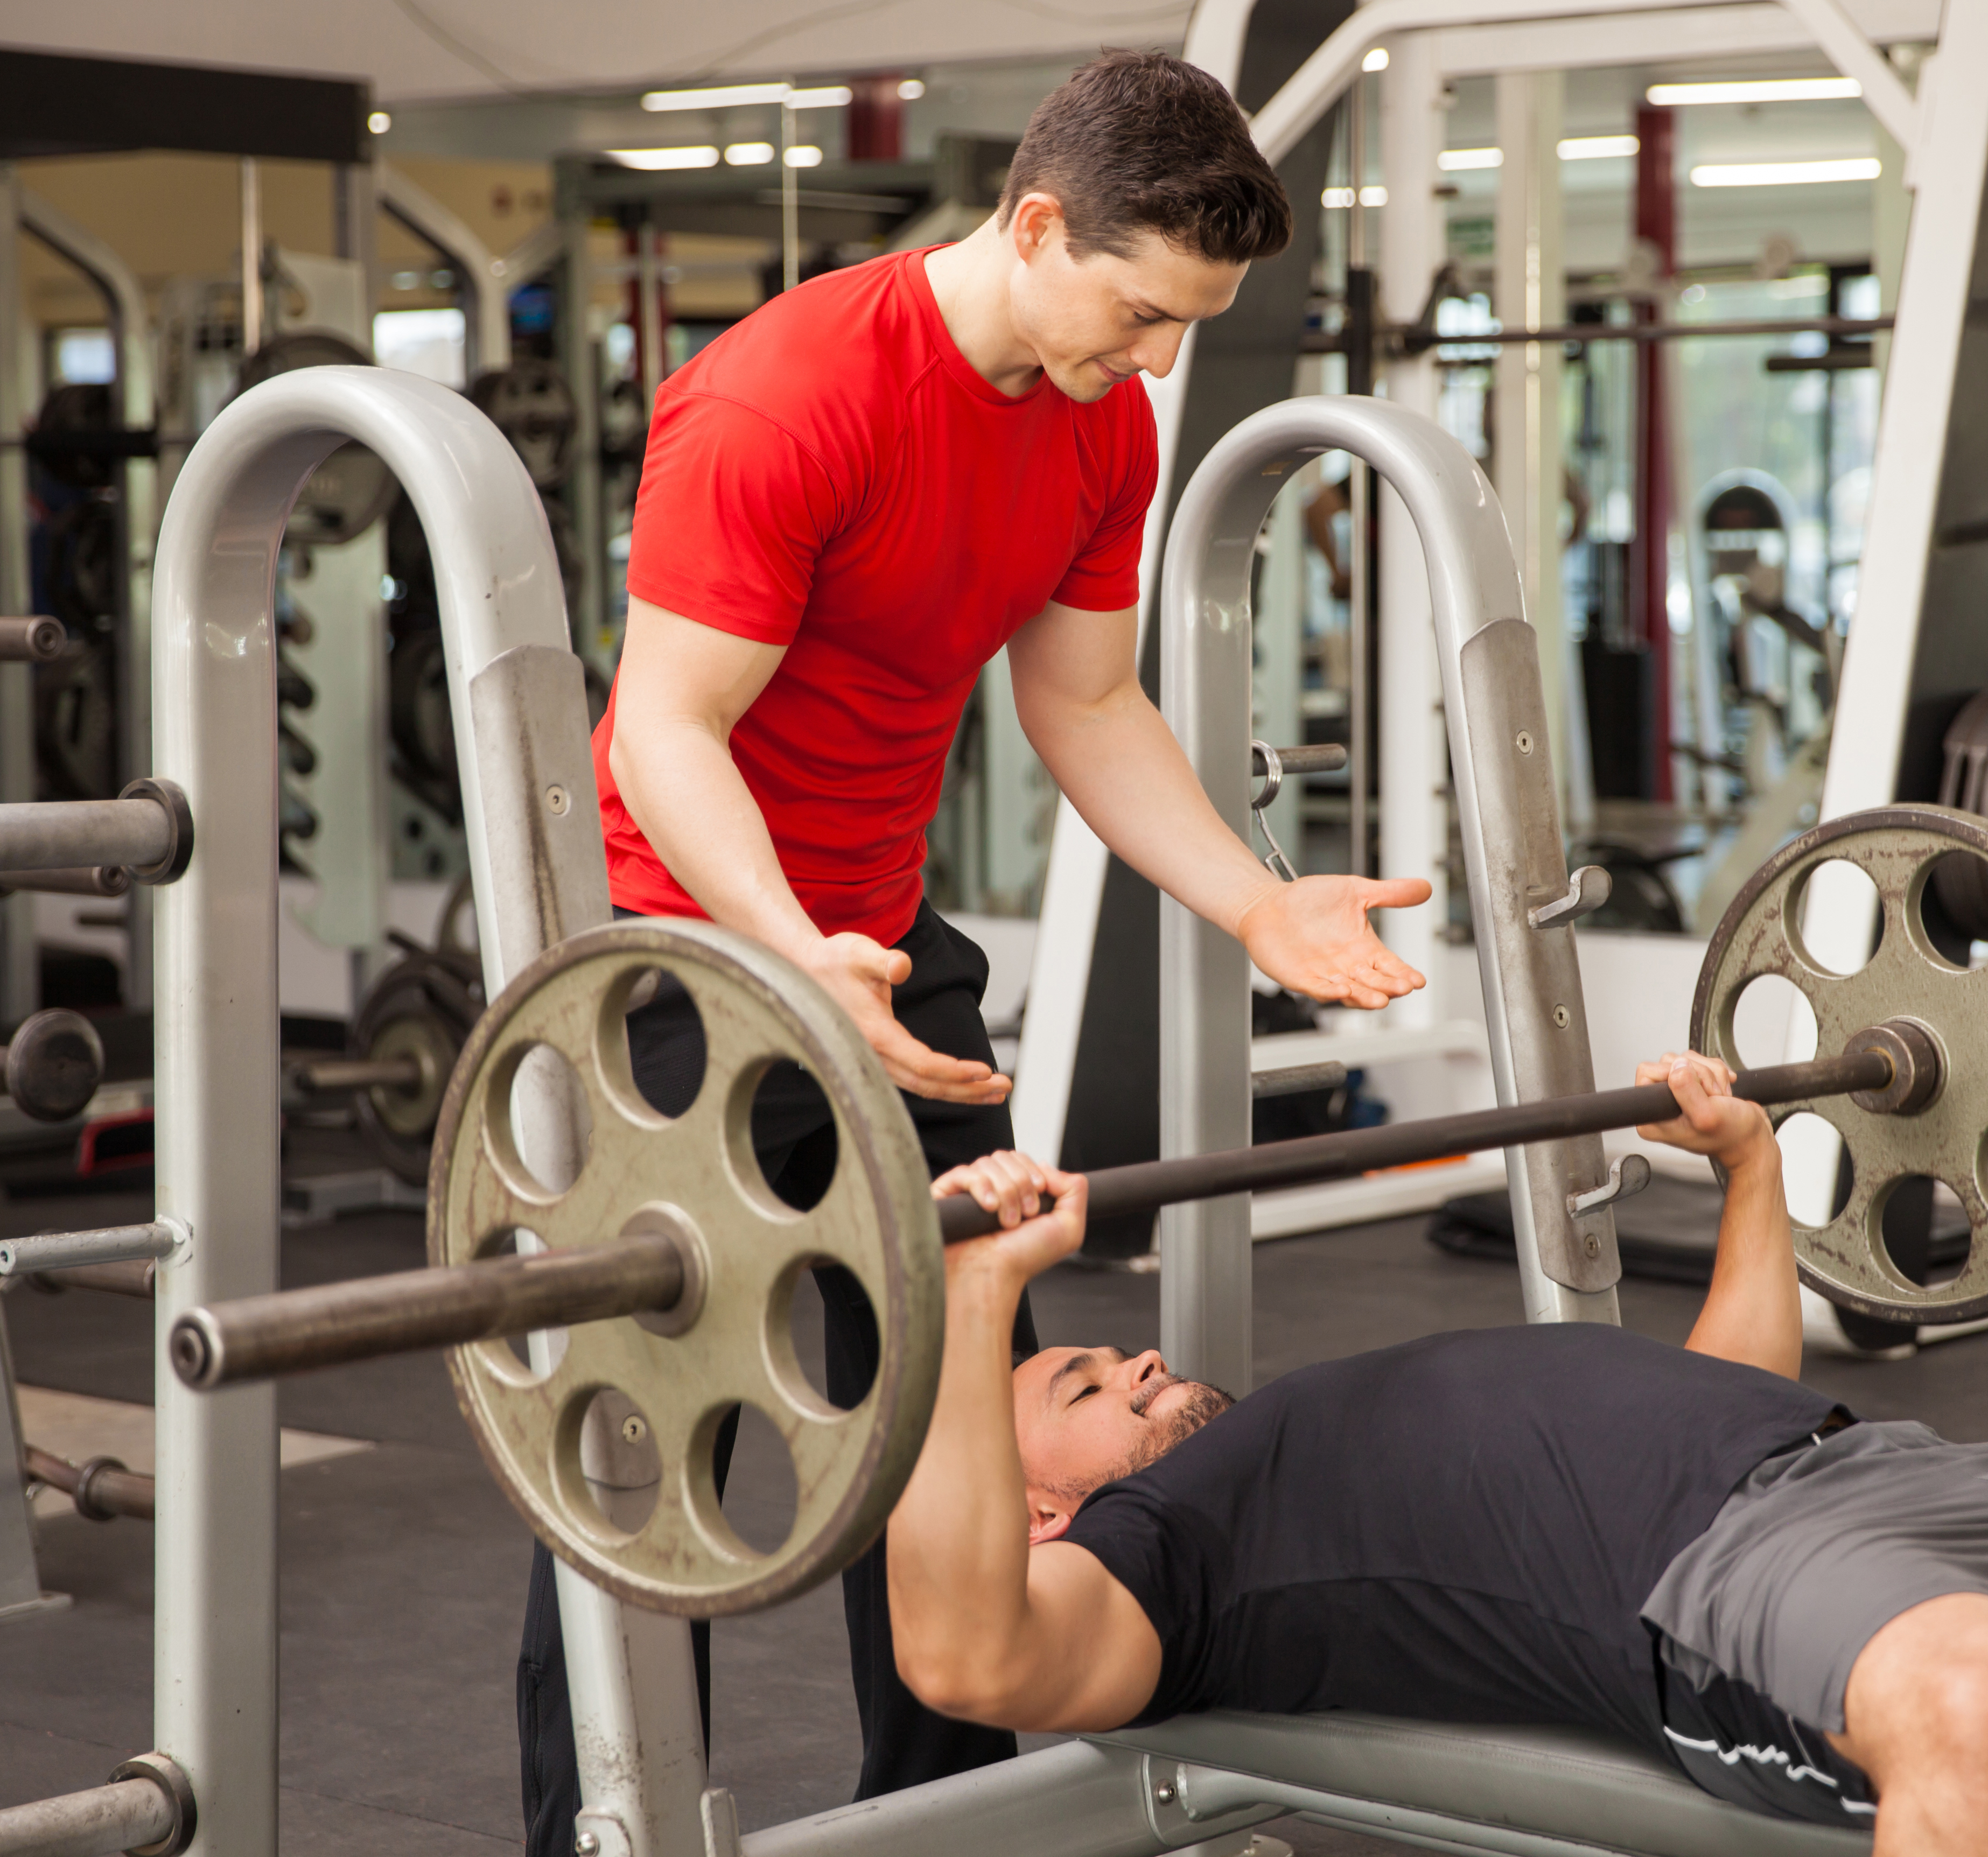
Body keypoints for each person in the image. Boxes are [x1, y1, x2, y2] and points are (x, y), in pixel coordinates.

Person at [517, 48, 1436, 1852]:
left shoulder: (1101, 420)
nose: (1157, 362)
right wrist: (790, 948)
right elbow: (666, 732)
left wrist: (1257, 900)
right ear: (1034, 226)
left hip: (881, 947)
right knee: (646, 1450)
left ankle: (950, 1824)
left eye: (1188, 327)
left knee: (954, 1399)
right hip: (680, 969)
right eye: (1141, 311)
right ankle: (603, 1834)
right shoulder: (784, 398)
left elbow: (1083, 701)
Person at [892, 1054, 1988, 1857]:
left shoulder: (1299, 1425)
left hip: (1928, 1482)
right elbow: (966, 1654)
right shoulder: (1165, 1563)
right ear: (1037, 1503)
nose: (1134, 1353)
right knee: (1977, 1694)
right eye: (1081, 1377)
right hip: (1749, 1596)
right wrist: (974, 1304)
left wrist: (1753, 1170)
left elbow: (1728, 1396)